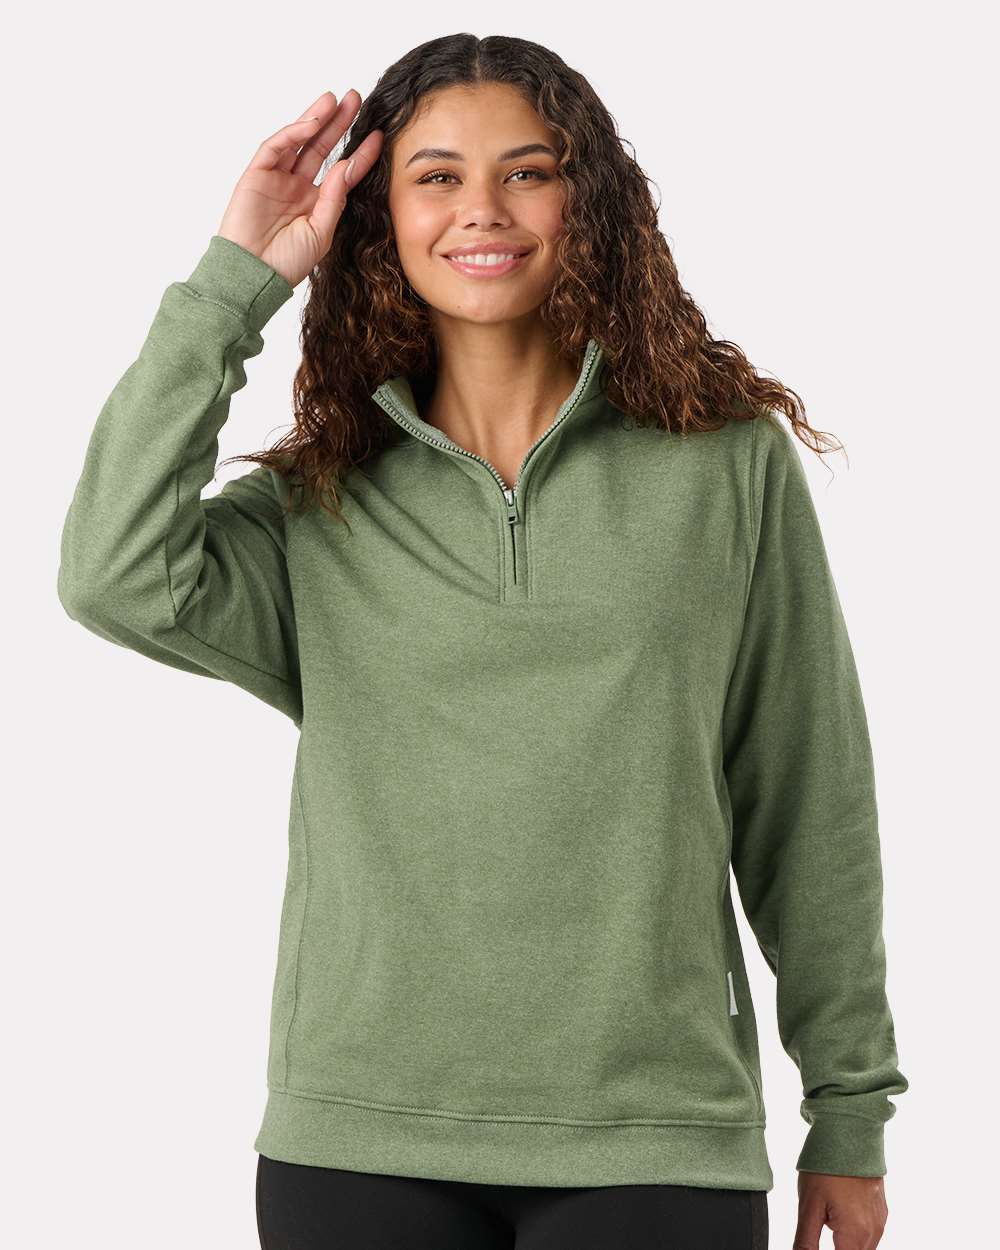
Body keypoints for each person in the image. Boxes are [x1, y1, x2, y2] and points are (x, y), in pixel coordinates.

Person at [56, 32, 907, 1250]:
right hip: (359, 1137)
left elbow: (807, 791)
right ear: (380, 216)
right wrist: (236, 281)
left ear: (585, 198)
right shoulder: (319, 504)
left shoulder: (721, 464)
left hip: (653, 1133)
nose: (482, 210)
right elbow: (114, 572)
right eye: (437, 177)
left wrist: (848, 1105)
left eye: (527, 171)